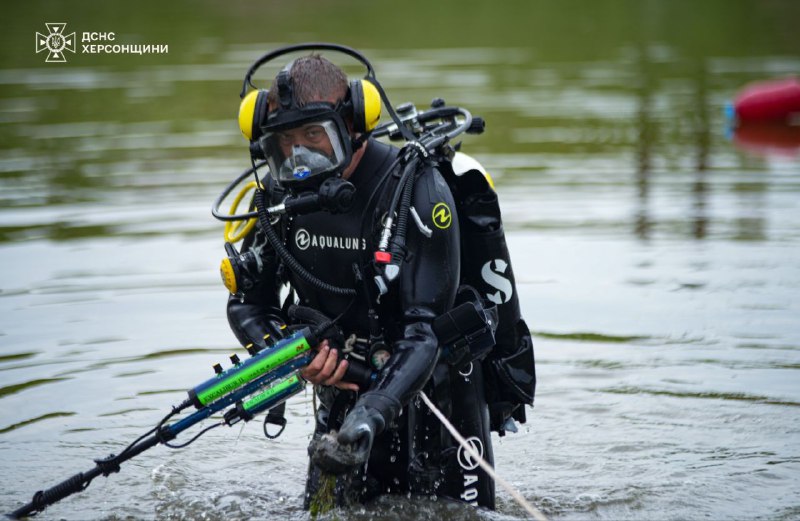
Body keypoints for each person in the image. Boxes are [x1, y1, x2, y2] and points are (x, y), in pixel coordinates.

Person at [225, 50, 535, 510]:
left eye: (315, 135)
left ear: (353, 124)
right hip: (343, 387)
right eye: (285, 141)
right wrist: (295, 358)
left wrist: (370, 417)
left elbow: (422, 333)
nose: (300, 157)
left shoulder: (417, 192)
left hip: (440, 395)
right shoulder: (275, 200)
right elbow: (248, 306)